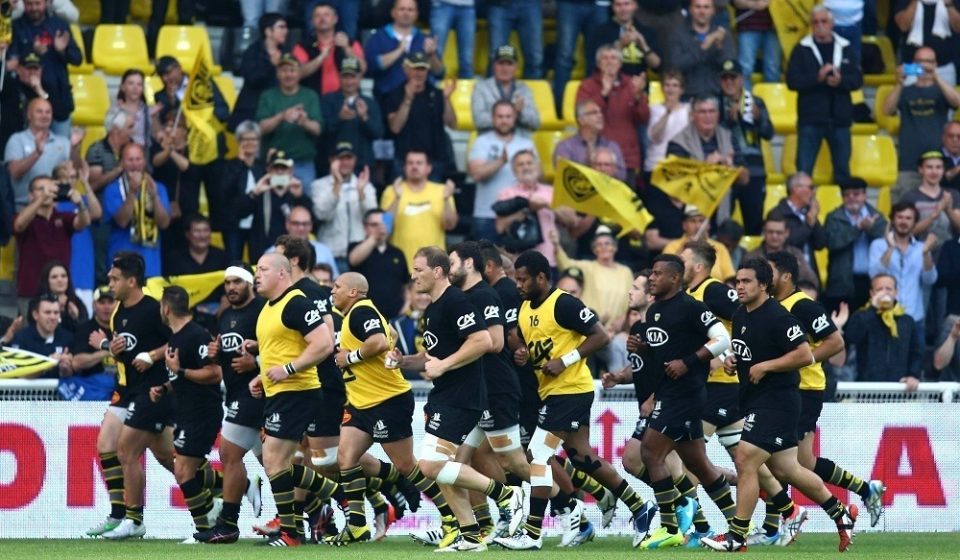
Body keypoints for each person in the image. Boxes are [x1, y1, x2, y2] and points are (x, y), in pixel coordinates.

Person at [497, 249, 655, 550]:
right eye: (516, 279)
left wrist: (565, 360)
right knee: (583, 458)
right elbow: (535, 346)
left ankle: (531, 533)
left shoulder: (564, 303)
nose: (517, 285)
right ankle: (641, 508)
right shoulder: (525, 307)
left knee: (538, 455)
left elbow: (600, 336)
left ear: (541, 278)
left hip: (571, 389)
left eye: (523, 279)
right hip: (554, 392)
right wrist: (523, 353)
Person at [700, 258, 858, 553]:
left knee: (745, 458)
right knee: (787, 469)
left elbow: (802, 354)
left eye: (747, 281)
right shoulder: (741, 314)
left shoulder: (779, 316)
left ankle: (737, 535)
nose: (740, 287)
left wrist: (768, 366)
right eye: (738, 281)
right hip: (756, 399)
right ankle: (841, 514)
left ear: (764, 285)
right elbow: (748, 352)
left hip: (779, 401)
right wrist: (735, 361)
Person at [384, 247, 526, 552]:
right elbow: (433, 356)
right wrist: (404, 360)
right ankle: (471, 535)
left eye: (419, 269)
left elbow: (484, 340)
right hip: (446, 394)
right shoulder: (433, 309)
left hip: (462, 395)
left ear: (437, 271)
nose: (414, 275)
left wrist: (444, 366)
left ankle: (504, 495)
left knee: (431, 466)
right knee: (445, 468)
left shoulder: (456, 302)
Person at [768, 251, 886, 530]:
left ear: (785, 275)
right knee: (803, 461)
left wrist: (803, 360)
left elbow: (835, 344)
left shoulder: (804, 306)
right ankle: (866, 490)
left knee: (775, 456)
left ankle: (774, 526)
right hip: (786, 389)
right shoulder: (772, 305)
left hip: (805, 389)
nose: (764, 277)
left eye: (768, 271)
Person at [330, 271, 451, 544]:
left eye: (337, 287)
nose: (332, 290)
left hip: (387, 401)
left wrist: (350, 357)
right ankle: (358, 525)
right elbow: (392, 333)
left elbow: (381, 341)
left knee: (407, 465)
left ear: (353, 292)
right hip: (361, 402)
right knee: (345, 458)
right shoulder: (358, 314)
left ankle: (451, 514)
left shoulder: (360, 310)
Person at [629, 255, 738, 549]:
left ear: (675, 279)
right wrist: (644, 349)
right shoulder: (654, 312)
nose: (651, 278)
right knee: (698, 464)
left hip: (686, 393)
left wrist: (689, 362)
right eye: (651, 273)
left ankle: (669, 527)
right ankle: (741, 524)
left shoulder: (691, 306)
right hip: (670, 392)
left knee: (651, 453)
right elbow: (665, 356)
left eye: (658, 274)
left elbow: (722, 339)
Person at [248, 252, 339, 547]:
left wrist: (288, 369)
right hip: (281, 393)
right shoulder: (268, 308)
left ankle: (290, 532)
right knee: (281, 463)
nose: (256, 274)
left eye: (262, 269)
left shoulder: (296, 302)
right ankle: (335, 495)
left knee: (275, 461)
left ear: (282, 274)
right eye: (256, 269)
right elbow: (280, 350)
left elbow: (324, 343)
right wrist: (263, 376)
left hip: (298, 391)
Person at [94, 252, 175, 539]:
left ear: (132, 280)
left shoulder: (154, 309)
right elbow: (124, 351)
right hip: (127, 388)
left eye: (115, 279)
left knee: (161, 457)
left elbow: (180, 339)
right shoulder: (118, 311)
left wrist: (152, 356)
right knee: (106, 445)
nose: (110, 283)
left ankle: (134, 518)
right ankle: (119, 516)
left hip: (151, 391)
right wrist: (109, 346)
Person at [195, 265, 266, 543]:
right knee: (274, 464)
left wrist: (256, 359)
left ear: (250, 283)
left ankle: (228, 523)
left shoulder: (262, 309)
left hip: (258, 392)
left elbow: (283, 345)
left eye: (237, 281)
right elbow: (226, 352)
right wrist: (215, 354)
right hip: (237, 393)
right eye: (227, 283)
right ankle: (317, 511)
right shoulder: (226, 314)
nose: (231, 287)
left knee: (229, 454)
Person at [147, 286, 223, 544]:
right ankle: (239, 487)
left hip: (203, 412)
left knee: (183, 471)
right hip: (187, 411)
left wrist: (179, 373)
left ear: (166, 308)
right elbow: (182, 374)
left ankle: (203, 530)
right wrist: (166, 386)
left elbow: (214, 373)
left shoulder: (196, 335)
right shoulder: (177, 336)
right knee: (185, 470)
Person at [786, 6, 863, 184]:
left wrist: (840, 81)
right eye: (815, 22)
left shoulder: (846, 47)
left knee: (843, 172)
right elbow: (792, 81)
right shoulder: (801, 49)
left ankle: (845, 210)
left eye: (824, 21)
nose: (820, 25)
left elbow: (857, 80)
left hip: (840, 120)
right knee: (803, 172)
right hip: (810, 120)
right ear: (811, 25)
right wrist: (817, 78)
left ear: (832, 23)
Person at [884, 47, 960, 203]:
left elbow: (957, 102)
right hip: (909, 162)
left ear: (935, 64)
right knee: (905, 208)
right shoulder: (905, 91)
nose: (924, 66)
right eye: (920, 62)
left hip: (937, 163)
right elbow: (886, 110)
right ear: (913, 64)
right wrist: (899, 83)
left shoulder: (941, 90)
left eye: (929, 62)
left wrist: (936, 77)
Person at [576, 44, 650, 188]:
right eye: (605, 58)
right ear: (598, 64)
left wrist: (638, 97)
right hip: (597, 160)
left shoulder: (632, 84)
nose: (609, 62)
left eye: (614, 58)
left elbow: (643, 118)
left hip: (627, 159)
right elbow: (582, 117)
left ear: (620, 63)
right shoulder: (587, 86)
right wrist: (604, 93)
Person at [869, 201, 939, 345]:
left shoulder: (922, 248)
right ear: (892, 220)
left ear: (914, 222)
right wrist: (890, 248)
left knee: (915, 364)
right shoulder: (878, 245)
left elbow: (930, 280)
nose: (904, 222)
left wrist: (926, 254)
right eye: (900, 217)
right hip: (885, 315)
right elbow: (874, 275)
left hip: (914, 317)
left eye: (908, 218)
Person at [9, 0, 82, 136]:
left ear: (46, 3)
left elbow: (78, 59)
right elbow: (10, 62)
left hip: (59, 100)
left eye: (38, 3)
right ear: (24, 4)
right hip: (28, 101)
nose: (34, 8)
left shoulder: (59, 24)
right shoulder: (16, 27)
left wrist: (61, 51)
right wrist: (31, 50)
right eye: (29, 4)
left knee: (61, 152)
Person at [13, 174, 90, 301]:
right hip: (31, 291)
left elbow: (83, 223)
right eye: (41, 189)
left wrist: (80, 204)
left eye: (50, 189)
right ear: (30, 195)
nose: (47, 192)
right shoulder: (25, 216)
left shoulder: (63, 217)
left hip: (60, 292)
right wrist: (42, 198)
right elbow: (19, 225)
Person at [383, 52, 457, 182]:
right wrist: (407, 99)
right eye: (415, 68)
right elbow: (395, 128)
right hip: (404, 162)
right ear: (406, 69)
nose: (419, 73)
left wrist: (445, 100)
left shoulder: (436, 93)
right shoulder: (394, 95)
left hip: (434, 161)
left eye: (423, 69)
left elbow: (452, 123)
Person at [468, 101, 536, 242]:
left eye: (508, 116)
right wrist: (501, 161)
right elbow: (476, 174)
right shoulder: (482, 142)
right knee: (486, 262)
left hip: (519, 215)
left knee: (517, 263)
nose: (504, 120)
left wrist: (527, 171)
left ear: (515, 118)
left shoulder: (527, 144)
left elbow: (538, 177)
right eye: (500, 116)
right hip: (487, 214)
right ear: (492, 118)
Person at [102, 143, 172, 278]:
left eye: (138, 159)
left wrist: (155, 197)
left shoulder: (158, 187)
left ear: (145, 161)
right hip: (121, 262)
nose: (135, 164)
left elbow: (164, 223)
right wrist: (133, 193)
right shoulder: (113, 189)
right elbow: (122, 221)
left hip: (150, 262)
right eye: (130, 160)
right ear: (121, 162)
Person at [719, 59, 773, 235]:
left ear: (741, 79)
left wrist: (758, 119)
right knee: (722, 222)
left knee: (754, 223)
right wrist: (728, 121)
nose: (729, 82)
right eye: (725, 79)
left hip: (755, 169)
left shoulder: (755, 102)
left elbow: (769, 133)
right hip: (727, 169)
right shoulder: (715, 104)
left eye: (733, 78)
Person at [380, 151, 457, 270]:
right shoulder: (392, 191)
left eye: (419, 163)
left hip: (433, 265)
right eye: (410, 163)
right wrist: (397, 197)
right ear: (405, 167)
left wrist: (446, 199)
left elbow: (450, 225)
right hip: (399, 263)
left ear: (428, 168)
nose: (414, 166)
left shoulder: (442, 191)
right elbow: (384, 227)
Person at [495, 150, 574, 266]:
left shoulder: (551, 192)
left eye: (529, 163)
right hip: (519, 261)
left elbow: (571, 220)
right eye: (520, 164)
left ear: (537, 166)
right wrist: (527, 209)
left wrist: (547, 205)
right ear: (514, 170)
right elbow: (499, 227)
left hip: (549, 258)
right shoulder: (506, 194)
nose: (526, 167)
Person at [552, 226, 635, 334]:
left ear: (614, 247)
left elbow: (632, 298)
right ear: (594, 250)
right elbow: (565, 264)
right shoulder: (588, 267)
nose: (603, 247)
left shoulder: (626, 272)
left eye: (607, 243)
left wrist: (623, 319)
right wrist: (556, 245)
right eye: (599, 245)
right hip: (591, 329)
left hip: (617, 331)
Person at [256, 54, 323, 187]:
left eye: (292, 70)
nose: (288, 75)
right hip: (274, 165)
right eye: (284, 70)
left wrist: (304, 122)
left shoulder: (310, 96)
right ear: (277, 73)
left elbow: (318, 129)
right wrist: (282, 116)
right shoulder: (267, 96)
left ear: (299, 73)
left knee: (304, 204)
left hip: (303, 163)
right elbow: (260, 129)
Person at [231, 150, 310, 263]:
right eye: (276, 168)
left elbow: (312, 221)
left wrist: (300, 197)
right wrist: (254, 193)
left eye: (284, 168)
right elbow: (237, 213)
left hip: (293, 256)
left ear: (291, 171)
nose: (279, 172)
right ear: (268, 170)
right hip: (263, 257)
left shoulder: (296, 194)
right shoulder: (260, 194)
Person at [844, 273, 924, 385]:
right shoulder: (862, 316)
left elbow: (916, 352)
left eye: (888, 289)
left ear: (896, 292)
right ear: (872, 293)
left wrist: (913, 375)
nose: (884, 292)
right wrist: (872, 309)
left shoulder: (907, 320)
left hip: (899, 387)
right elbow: (852, 337)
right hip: (868, 387)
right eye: (879, 289)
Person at [823, 177, 888, 312]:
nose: (851, 198)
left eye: (856, 194)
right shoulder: (833, 217)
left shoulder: (878, 217)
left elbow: (887, 243)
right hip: (841, 283)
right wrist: (857, 229)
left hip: (871, 281)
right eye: (847, 195)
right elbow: (831, 243)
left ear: (864, 195)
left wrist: (870, 229)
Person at [312, 141, 378, 272]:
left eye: (349, 158)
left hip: (359, 252)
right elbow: (322, 215)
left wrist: (361, 193)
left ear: (355, 160)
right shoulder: (319, 185)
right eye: (340, 158)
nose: (345, 162)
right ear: (332, 160)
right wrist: (337, 184)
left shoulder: (366, 186)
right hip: (332, 254)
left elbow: (373, 217)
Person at [363, 0, 444, 97]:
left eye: (410, 10)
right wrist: (399, 51)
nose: (406, 13)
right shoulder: (378, 37)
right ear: (393, 13)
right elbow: (371, 66)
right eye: (402, 9)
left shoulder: (424, 38)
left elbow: (439, 73)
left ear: (416, 14)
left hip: (419, 98)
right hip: (387, 97)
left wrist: (432, 55)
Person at [5, 97, 72, 210]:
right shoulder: (17, 139)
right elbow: (14, 172)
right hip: (24, 207)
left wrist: (75, 148)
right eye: (39, 111)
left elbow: (77, 173)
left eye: (48, 112)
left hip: (56, 207)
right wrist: (37, 153)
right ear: (29, 115)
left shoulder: (63, 141)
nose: (44, 115)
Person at [319, 58, 384, 174]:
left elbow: (378, 133)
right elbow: (321, 130)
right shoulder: (328, 100)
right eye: (345, 77)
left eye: (353, 77)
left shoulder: (370, 102)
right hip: (336, 162)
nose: (349, 82)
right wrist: (339, 118)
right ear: (339, 77)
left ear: (360, 78)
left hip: (363, 162)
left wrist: (365, 117)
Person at [229, 13, 290, 132]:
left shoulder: (287, 53)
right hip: (252, 110)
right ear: (268, 31)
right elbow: (252, 78)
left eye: (286, 27)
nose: (286, 31)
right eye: (281, 27)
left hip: (275, 108)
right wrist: (270, 65)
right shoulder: (252, 52)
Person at [293, 2, 366, 97]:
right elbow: (297, 73)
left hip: (344, 100)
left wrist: (347, 48)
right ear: (312, 21)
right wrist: (320, 58)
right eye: (317, 16)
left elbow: (363, 68)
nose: (322, 19)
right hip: (314, 101)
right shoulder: (302, 46)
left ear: (335, 19)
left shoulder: (350, 43)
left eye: (326, 15)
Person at [348, 209, 408, 320]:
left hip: (395, 317)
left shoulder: (397, 253)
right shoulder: (355, 247)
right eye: (374, 225)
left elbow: (406, 285)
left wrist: (406, 306)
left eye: (383, 224)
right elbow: (353, 260)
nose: (380, 228)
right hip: (365, 316)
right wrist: (374, 238)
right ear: (365, 227)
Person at [668, 0, 735, 100]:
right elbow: (675, 66)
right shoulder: (678, 35)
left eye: (706, 7)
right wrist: (703, 47)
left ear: (713, 10)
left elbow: (730, 67)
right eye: (698, 7)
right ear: (690, 9)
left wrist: (719, 47)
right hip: (687, 96)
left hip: (716, 95)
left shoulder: (722, 35)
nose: (702, 11)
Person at [218, 121, 266, 261]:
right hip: (234, 223)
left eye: (254, 139)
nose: (250, 142)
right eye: (245, 139)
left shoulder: (262, 166)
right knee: (234, 263)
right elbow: (224, 190)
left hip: (257, 223)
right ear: (238, 141)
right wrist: (240, 163)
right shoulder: (230, 165)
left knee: (258, 262)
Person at [551, 0, 610, 107]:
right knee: (565, 57)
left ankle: (593, 104)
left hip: (599, 4)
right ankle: (560, 107)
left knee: (597, 58)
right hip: (569, 4)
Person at [901, 151, 960, 256]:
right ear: (920, 170)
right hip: (918, 252)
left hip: (949, 254)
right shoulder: (910, 197)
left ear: (943, 170)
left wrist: (948, 211)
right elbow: (906, 231)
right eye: (929, 167)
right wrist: (934, 216)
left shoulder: (953, 194)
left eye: (938, 167)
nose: (934, 172)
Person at [471, 45, 541, 133]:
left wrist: (520, 114)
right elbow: (479, 120)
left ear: (516, 67)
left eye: (509, 64)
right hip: (490, 142)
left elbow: (535, 122)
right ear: (494, 65)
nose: (505, 68)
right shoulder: (481, 88)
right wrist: (512, 113)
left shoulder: (524, 89)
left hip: (519, 141)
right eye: (501, 63)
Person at [66, 286, 118, 403]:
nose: (106, 307)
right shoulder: (85, 329)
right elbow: (76, 363)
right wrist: (109, 349)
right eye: (102, 302)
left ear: (117, 304)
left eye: (110, 302)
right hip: (93, 393)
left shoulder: (125, 328)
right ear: (94, 305)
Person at [587, 0, 662, 80]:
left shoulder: (647, 31)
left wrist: (644, 46)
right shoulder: (601, 32)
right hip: (611, 87)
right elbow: (595, 66)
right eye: (618, 5)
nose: (623, 9)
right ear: (612, 7)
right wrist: (620, 45)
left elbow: (657, 66)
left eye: (627, 4)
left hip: (639, 87)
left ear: (635, 6)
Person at [772, 172, 828, 281]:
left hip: (809, 273)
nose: (814, 192)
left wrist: (814, 220)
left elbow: (821, 243)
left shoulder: (808, 213)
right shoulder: (778, 213)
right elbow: (788, 241)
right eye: (811, 187)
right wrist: (808, 225)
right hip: (788, 275)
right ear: (796, 189)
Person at [554, 100, 628, 182]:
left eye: (600, 112)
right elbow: (563, 174)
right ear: (581, 120)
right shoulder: (566, 147)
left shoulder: (611, 146)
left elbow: (622, 175)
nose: (600, 115)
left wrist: (605, 169)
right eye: (594, 113)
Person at [893, 0, 960, 87]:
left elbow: (958, 28)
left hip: (944, 66)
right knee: (912, 99)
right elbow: (903, 26)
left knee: (945, 99)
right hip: (913, 66)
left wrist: (949, 5)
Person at [745, 212, 820, 288]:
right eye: (770, 232)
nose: (774, 236)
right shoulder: (751, 257)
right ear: (764, 232)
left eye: (779, 232)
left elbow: (812, 280)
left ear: (787, 233)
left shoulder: (796, 254)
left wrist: (796, 269)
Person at [6, 294, 74, 379]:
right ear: (35, 315)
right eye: (47, 312)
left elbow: (72, 376)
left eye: (56, 313)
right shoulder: (22, 338)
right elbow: (15, 374)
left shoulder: (67, 338)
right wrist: (48, 363)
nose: (53, 317)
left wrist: (66, 369)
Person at [662, 205, 736, 281]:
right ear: (684, 225)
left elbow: (729, 278)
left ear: (708, 225)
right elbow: (668, 274)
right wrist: (685, 247)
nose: (698, 226)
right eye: (693, 221)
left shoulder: (720, 247)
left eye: (701, 221)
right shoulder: (672, 246)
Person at [644, 70, 690, 180]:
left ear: (681, 90)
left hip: (680, 167)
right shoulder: (653, 109)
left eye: (675, 86)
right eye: (667, 85)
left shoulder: (689, 110)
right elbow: (654, 137)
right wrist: (667, 113)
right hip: (656, 166)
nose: (670, 89)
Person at [486, 0, 544, 79]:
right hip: (499, 5)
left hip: (531, 4)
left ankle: (531, 91)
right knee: (495, 57)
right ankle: (491, 91)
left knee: (534, 58)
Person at [733, 0, 780, 91]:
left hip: (774, 27)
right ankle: (745, 102)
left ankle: (771, 103)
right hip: (748, 26)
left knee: (773, 69)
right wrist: (754, 5)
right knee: (745, 68)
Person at [87, 110, 135, 194]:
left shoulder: (132, 147)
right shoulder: (97, 150)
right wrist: (118, 170)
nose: (133, 132)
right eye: (130, 127)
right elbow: (93, 186)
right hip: (103, 203)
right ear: (116, 130)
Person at [105, 70, 153, 150]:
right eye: (131, 83)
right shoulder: (115, 110)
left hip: (144, 154)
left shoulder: (149, 111)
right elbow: (110, 132)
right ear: (123, 87)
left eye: (139, 84)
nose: (135, 88)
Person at [38, 260, 88, 335]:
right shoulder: (37, 302)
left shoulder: (77, 302)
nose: (60, 280)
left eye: (63, 276)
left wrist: (76, 318)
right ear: (46, 281)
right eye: (54, 277)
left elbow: (85, 330)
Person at [429, 0, 476, 79]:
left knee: (467, 60)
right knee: (435, 53)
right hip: (441, 4)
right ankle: (430, 88)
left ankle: (468, 89)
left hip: (468, 6)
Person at [942, 121, 960, 191]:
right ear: (943, 138)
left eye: (959, 136)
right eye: (950, 136)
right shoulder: (934, 156)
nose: (955, 140)